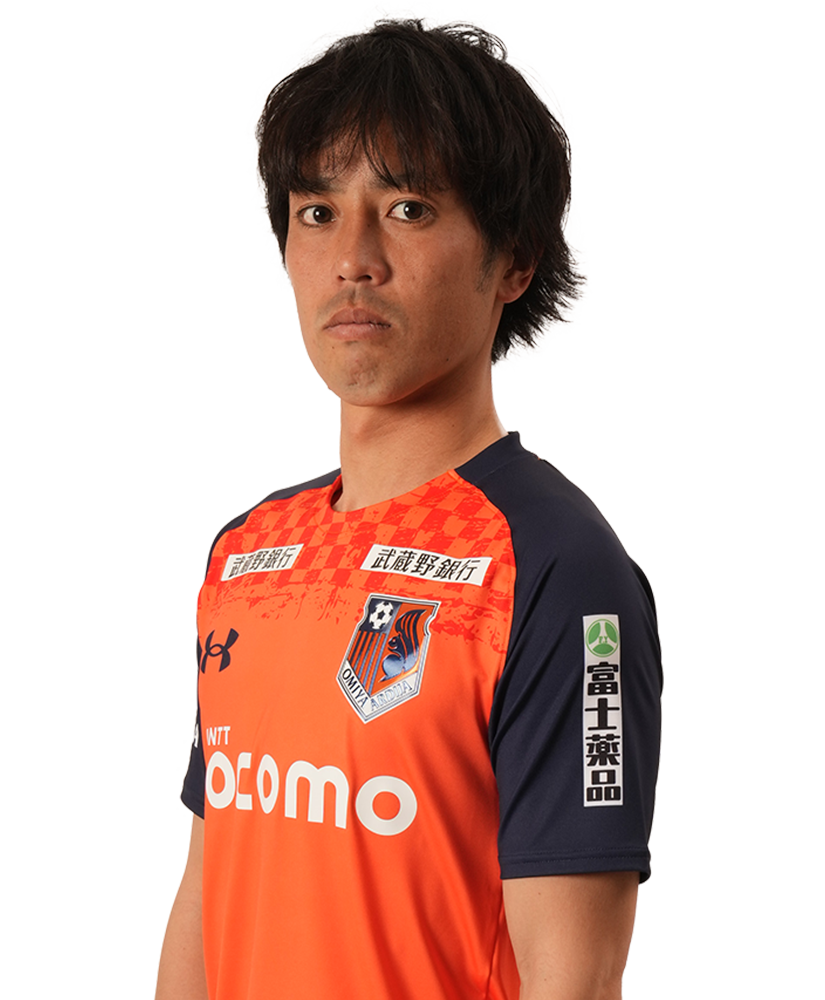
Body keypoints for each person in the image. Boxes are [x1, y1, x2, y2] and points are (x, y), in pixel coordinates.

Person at [156, 16, 662, 1000]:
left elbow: (574, 979)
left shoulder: (559, 570)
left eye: (408, 208)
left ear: (513, 262)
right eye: (316, 211)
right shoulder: (247, 553)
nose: (353, 257)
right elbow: (206, 892)